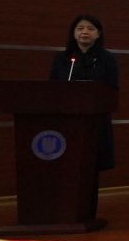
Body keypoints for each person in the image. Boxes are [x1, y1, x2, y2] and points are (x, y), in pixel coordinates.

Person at [49, 13, 119, 171]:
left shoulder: (107, 59)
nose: (85, 32)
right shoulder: (62, 58)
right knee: (68, 165)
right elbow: (52, 88)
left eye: (90, 28)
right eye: (80, 28)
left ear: (98, 34)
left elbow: (112, 90)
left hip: (96, 121)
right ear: (73, 33)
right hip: (67, 119)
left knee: (92, 165)